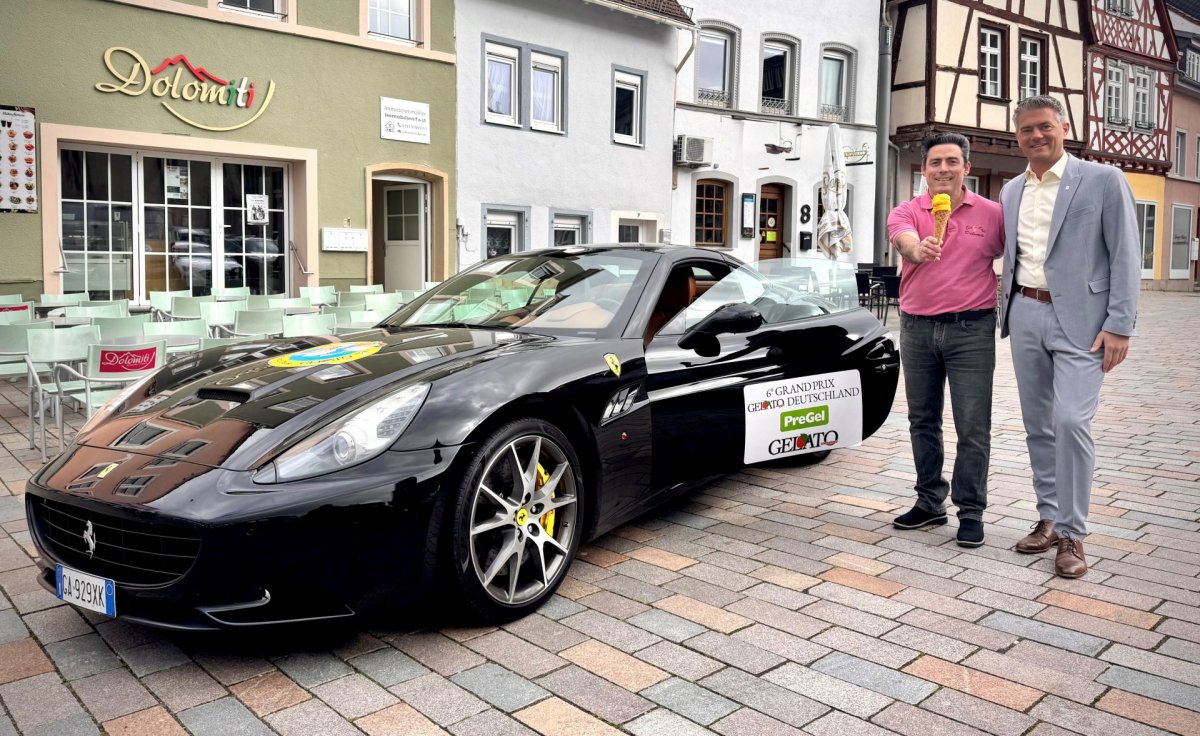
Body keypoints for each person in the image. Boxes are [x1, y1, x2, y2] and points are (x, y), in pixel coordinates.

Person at [999, 95, 1139, 578]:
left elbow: (1125, 254)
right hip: (1025, 312)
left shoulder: (1102, 180)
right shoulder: (1012, 191)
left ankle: (1074, 535)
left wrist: (1120, 324)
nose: (1036, 137)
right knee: (1038, 423)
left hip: (1083, 322)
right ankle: (1049, 517)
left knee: (1071, 420)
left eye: (1044, 127)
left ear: (1063, 128)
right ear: (1017, 137)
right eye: (1026, 131)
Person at [886, 133, 1005, 547]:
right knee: (923, 420)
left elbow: (1025, 256)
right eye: (935, 162)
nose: (942, 169)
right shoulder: (907, 210)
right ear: (924, 170)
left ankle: (970, 510)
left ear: (965, 168)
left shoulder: (993, 214)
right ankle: (929, 501)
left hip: (971, 330)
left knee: (973, 426)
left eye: (951, 162)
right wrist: (915, 250)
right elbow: (901, 237)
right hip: (917, 328)